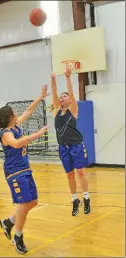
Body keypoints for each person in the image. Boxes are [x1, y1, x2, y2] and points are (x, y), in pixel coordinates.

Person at [0, 85, 49, 254]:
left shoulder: (15, 126)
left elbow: (28, 111)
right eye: (14, 112)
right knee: (24, 204)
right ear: (10, 117)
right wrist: (39, 133)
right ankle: (18, 237)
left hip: (25, 169)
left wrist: (41, 96)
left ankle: (8, 222)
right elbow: (17, 143)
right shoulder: (6, 134)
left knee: (33, 202)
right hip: (14, 172)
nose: (17, 113)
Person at [50, 66, 91, 216]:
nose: (62, 98)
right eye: (61, 97)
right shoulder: (56, 111)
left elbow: (72, 94)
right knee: (69, 175)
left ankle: (86, 198)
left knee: (80, 172)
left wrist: (68, 77)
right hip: (63, 148)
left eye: (65, 97)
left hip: (76, 146)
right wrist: (53, 79)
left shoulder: (73, 110)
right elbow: (54, 93)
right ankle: (75, 200)